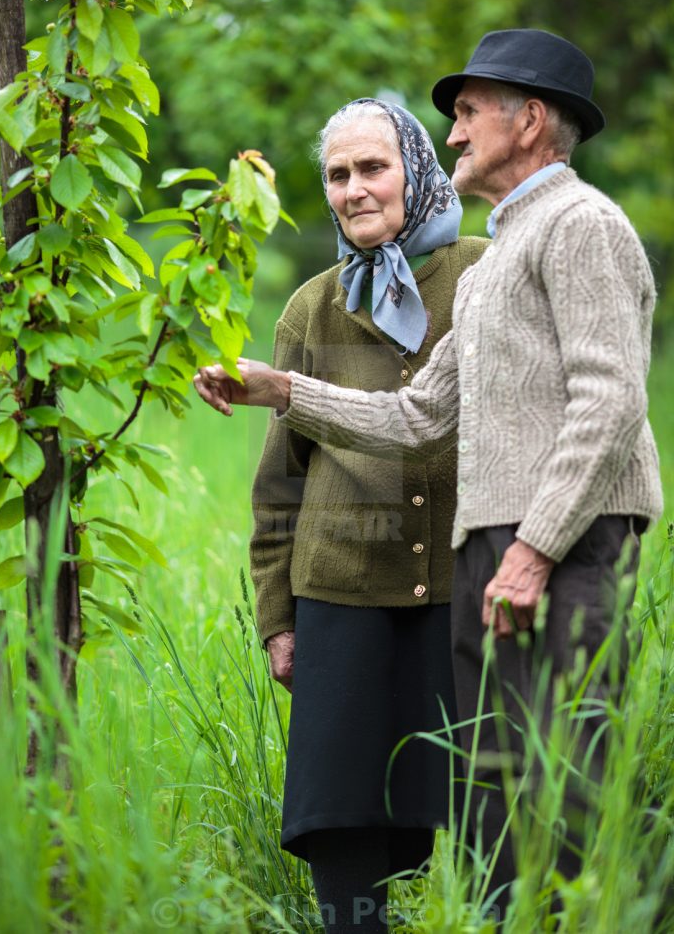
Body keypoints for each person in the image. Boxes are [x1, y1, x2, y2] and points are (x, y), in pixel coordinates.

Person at [194, 31, 663, 915]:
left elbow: (610, 401)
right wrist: (280, 388)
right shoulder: (501, 259)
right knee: (505, 816)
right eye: (336, 176)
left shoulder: (578, 227)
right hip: (492, 560)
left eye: (469, 115)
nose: (453, 136)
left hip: (549, 553)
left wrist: (531, 551)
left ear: (529, 122)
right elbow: (416, 417)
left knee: (555, 804)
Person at [241, 97, 488, 933]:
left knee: (463, 799)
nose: (353, 190)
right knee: (342, 803)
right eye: (338, 174)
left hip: (462, 588)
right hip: (339, 595)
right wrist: (278, 618)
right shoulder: (311, 308)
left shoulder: (483, 272)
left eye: (372, 168)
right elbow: (280, 483)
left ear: (415, 171)